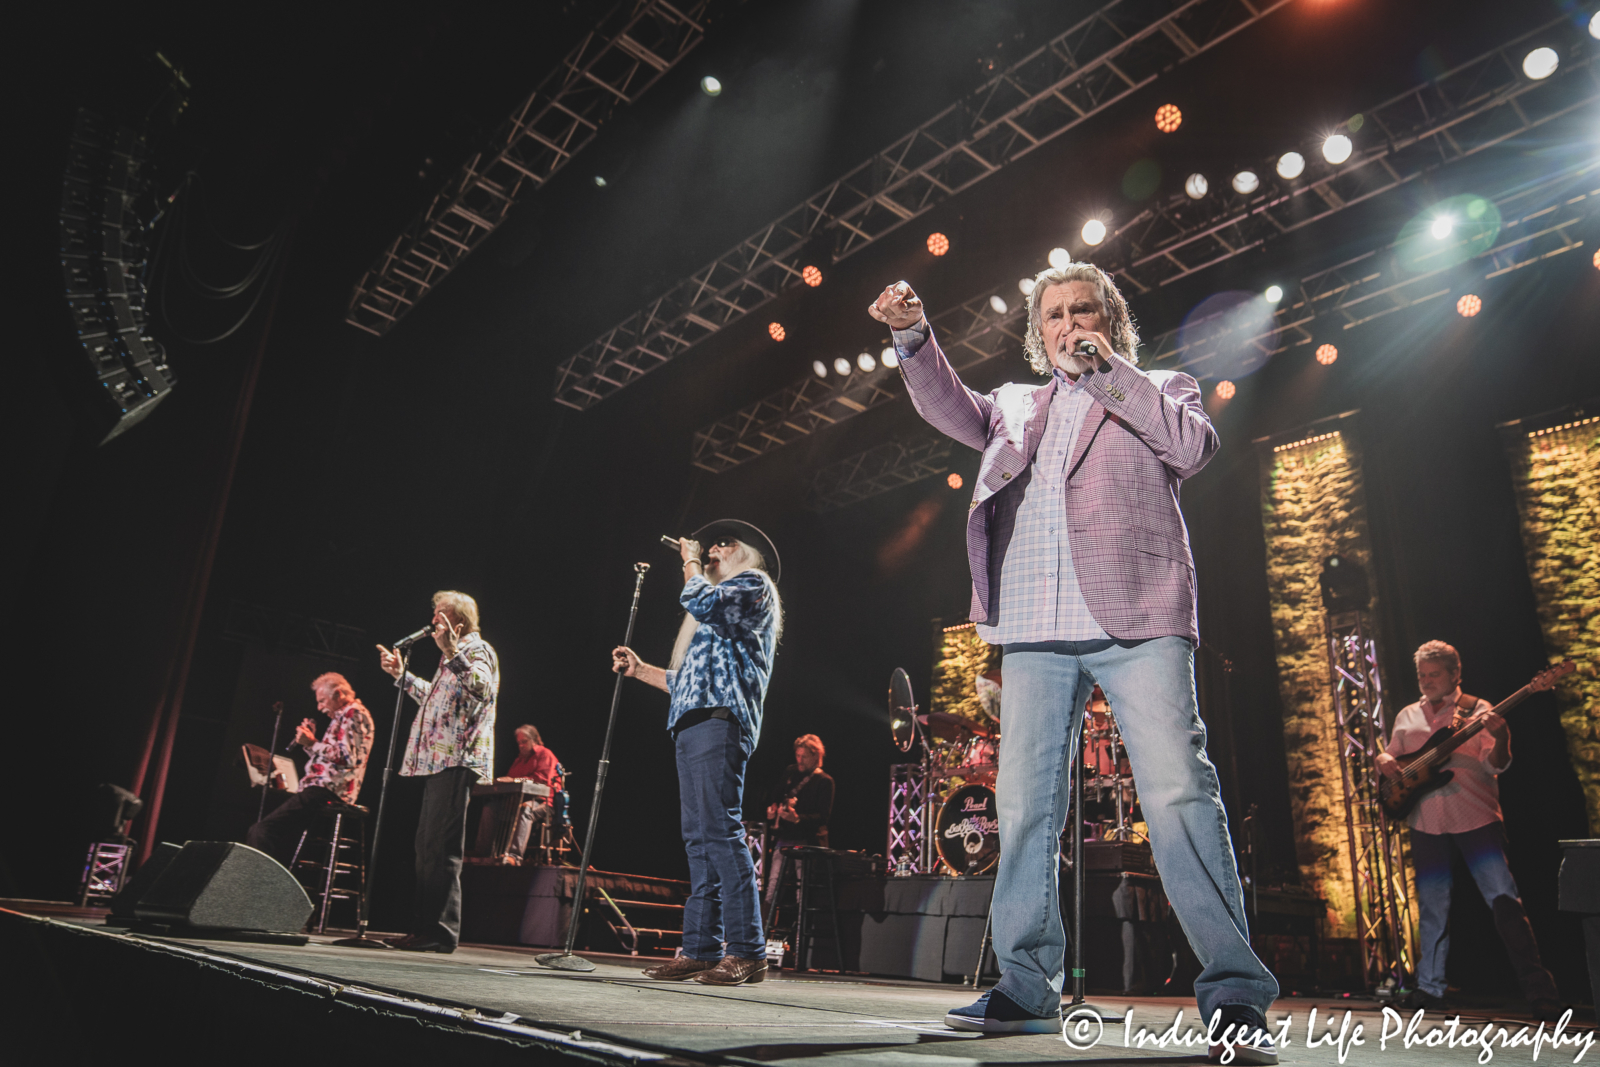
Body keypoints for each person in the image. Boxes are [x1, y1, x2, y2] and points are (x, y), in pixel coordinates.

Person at [871, 267, 1278, 1059]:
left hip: (1139, 615)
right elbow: (949, 404)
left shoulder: (1159, 384)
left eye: (1081, 309)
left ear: (1109, 319)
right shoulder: (1016, 404)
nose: (1066, 322)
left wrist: (1109, 372)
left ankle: (1233, 989)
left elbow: (1193, 448)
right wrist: (912, 337)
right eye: (1053, 314)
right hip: (1032, 623)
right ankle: (1025, 985)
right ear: (1038, 330)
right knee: (1023, 807)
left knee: (1179, 794)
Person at [611, 520, 782, 987]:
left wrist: (689, 560)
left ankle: (748, 949)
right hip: (692, 722)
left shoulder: (752, 585)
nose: (714, 548)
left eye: (726, 543)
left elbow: (700, 598)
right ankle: (701, 949)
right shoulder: (714, 613)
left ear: (746, 553)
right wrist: (641, 669)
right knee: (699, 838)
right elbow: (685, 682)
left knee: (721, 831)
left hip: (720, 720)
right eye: (712, 543)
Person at [1377, 641, 1562, 1019]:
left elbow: (1497, 765)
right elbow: (1392, 755)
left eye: (1434, 675)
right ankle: (1429, 988)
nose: (1426, 682)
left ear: (1455, 674)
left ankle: (1540, 991)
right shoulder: (1407, 715)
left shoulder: (1479, 711)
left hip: (1474, 816)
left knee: (1503, 900)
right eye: (1422, 676)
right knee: (1431, 907)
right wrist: (1382, 759)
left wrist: (1503, 735)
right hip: (1425, 819)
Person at [376, 590, 498, 953]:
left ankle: (441, 933)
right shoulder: (452, 658)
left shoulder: (478, 650)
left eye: (439, 616)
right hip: (438, 759)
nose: (432, 623)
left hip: (459, 758)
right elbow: (436, 697)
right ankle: (423, 928)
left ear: (457, 622)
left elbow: (482, 688)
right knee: (425, 846)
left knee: (442, 848)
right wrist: (402, 676)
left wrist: (450, 652)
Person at [245, 672, 374, 865]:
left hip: (327, 791)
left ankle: (259, 885)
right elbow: (332, 760)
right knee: (269, 831)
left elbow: (348, 758)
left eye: (322, 701)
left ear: (338, 694)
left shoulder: (353, 713)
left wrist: (313, 743)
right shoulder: (344, 716)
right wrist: (309, 744)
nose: (319, 707)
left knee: (262, 830)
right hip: (321, 790)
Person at [762, 734, 835, 915]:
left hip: (807, 842)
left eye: (804, 756)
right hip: (784, 838)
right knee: (772, 888)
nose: (800, 760)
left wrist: (798, 819)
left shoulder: (825, 781)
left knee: (803, 892)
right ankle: (762, 934)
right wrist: (772, 808)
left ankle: (800, 938)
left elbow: (823, 818)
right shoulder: (790, 772)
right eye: (798, 755)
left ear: (815, 755)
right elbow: (776, 795)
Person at [473, 724, 558, 864]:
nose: (521, 746)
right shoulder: (518, 761)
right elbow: (510, 781)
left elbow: (541, 781)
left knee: (526, 808)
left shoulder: (545, 754)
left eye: (524, 742)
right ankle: (483, 854)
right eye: (519, 743)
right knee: (490, 807)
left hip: (544, 803)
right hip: (516, 802)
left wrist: (513, 780)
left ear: (534, 740)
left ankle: (514, 856)